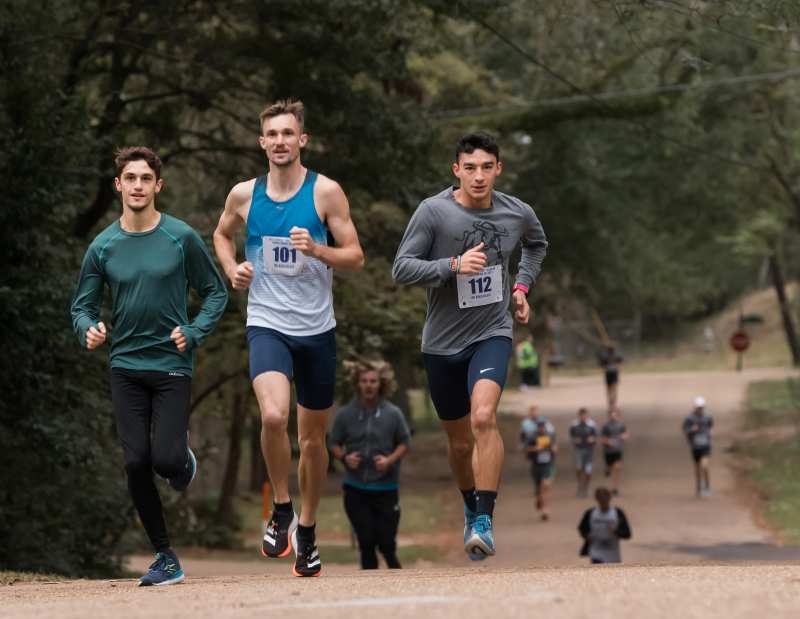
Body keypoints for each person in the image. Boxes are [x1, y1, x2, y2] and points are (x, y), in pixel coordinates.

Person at [213, 99, 364, 577]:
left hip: (317, 330)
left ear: (302, 140)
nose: (279, 141)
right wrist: (231, 267)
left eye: (287, 133)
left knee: (313, 441)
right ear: (262, 143)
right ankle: (281, 509)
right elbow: (221, 235)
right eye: (271, 134)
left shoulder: (326, 193)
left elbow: (356, 256)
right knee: (274, 415)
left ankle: (309, 530)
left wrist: (318, 249)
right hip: (267, 322)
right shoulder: (244, 194)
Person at [70, 147, 228, 586]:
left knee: (166, 458)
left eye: (145, 178)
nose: (137, 185)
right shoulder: (103, 246)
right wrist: (88, 329)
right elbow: (81, 307)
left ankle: (181, 460)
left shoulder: (181, 238)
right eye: (129, 178)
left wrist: (194, 332)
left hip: (172, 364)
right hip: (125, 365)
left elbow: (215, 292)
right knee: (135, 460)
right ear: (117, 185)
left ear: (158, 186)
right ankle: (165, 556)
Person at [392, 132, 548, 560]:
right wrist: (453, 266)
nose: (478, 176)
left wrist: (520, 286)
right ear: (456, 170)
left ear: (498, 169)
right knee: (460, 444)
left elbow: (537, 244)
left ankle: (484, 518)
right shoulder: (433, 212)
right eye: (470, 167)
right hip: (441, 344)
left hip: (491, 332)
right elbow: (401, 268)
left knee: (484, 418)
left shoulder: (518, 213)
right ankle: (468, 503)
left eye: (487, 167)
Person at [329, 360, 411, 570]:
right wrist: (345, 458)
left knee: (386, 544)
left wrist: (390, 460)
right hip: (356, 488)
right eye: (364, 381)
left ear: (381, 384)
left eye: (373, 381)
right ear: (357, 384)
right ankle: (368, 589)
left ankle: (397, 577)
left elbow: (405, 442)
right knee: (366, 542)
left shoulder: (393, 413)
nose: (368, 385)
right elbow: (333, 442)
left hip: (386, 488)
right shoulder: (346, 414)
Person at [578, 487, 632, 564]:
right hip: (596, 552)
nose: (603, 502)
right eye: (601, 499)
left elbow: (627, 534)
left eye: (604, 499)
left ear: (609, 499)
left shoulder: (617, 513)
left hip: (613, 553)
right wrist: (587, 536)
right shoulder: (590, 513)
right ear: (597, 499)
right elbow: (582, 528)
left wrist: (616, 531)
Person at [521, 413, 557, 521]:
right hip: (536, 465)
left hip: (548, 464)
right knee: (538, 489)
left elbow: (555, 447)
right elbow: (526, 449)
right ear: (537, 426)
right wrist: (535, 448)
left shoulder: (550, 435)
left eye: (543, 425)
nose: (541, 427)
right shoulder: (532, 436)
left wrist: (553, 449)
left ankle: (546, 509)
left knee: (546, 486)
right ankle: (538, 500)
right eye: (539, 425)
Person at [683, 396, 714, 497]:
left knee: (705, 465)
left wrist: (710, 434)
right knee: (697, 468)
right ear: (695, 407)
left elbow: (710, 427)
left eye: (702, 407)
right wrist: (692, 430)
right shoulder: (689, 419)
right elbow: (685, 431)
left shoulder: (707, 418)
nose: (700, 409)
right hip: (695, 447)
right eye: (698, 407)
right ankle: (699, 487)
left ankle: (707, 486)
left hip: (705, 445)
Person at [601, 408, 629, 496]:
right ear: (609, 416)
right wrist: (608, 442)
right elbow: (603, 438)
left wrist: (624, 437)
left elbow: (626, 434)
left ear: (618, 415)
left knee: (617, 468)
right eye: (611, 415)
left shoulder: (621, 425)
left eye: (615, 415)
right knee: (610, 468)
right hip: (608, 451)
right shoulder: (606, 426)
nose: (613, 417)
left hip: (617, 450)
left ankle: (615, 488)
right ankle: (607, 469)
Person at [570, 407, 597, 498]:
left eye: (585, 416)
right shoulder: (574, 425)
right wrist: (575, 441)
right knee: (579, 468)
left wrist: (592, 440)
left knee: (588, 470)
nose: (583, 417)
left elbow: (596, 436)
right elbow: (572, 436)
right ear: (579, 416)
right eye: (582, 416)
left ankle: (587, 486)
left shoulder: (592, 425)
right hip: (579, 449)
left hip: (589, 450)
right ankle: (580, 486)